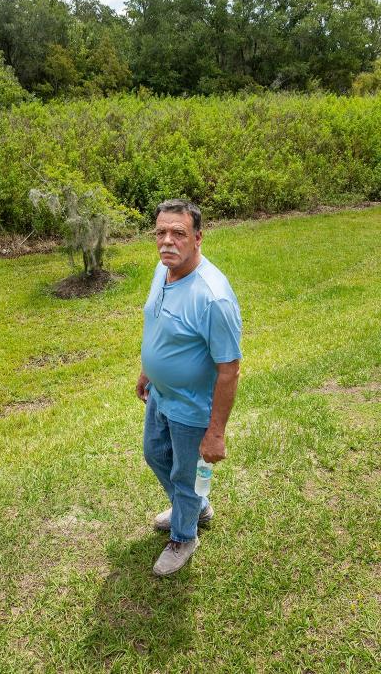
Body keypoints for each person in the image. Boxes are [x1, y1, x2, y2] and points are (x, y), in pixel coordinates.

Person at [136, 199, 242, 577]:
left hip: (192, 405)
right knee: (154, 454)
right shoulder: (162, 271)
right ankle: (195, 505)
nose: (167, 241)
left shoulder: (213, 297)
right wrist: (147, 370)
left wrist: (216, 433)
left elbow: (229, 370)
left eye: (178, 233)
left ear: (197, 238)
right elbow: (157, 324)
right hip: (161, 394)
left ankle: (184, 535)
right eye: (161, 232)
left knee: (183, 474)